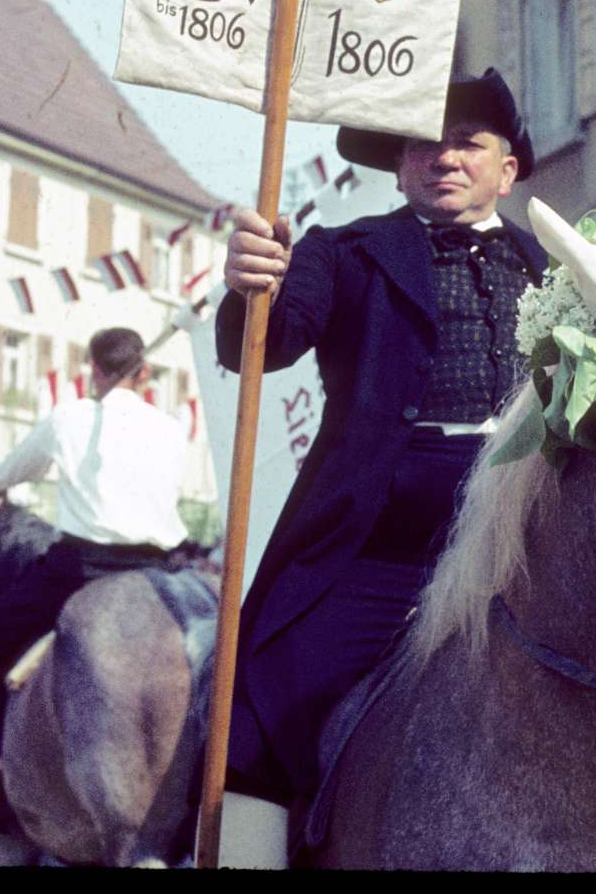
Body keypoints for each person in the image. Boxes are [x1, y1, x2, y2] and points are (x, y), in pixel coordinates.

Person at [212, 68, 548, 866]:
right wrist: (251, 285)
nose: (444, 157)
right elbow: (262, 344)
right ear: (398, 168)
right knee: (270, 691)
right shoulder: (342, 252)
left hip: (528, 534)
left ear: (506, 169)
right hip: (380, 540)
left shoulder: (556, 268)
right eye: (423, 144)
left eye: (467, 143)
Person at [0, 326, 194, 836]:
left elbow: (9, 472)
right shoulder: (172, 428)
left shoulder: (68, 418)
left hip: (82, 568)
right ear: (145, 373)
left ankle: (3, 792)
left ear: (93, 369)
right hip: (158, 573)